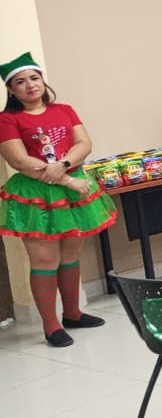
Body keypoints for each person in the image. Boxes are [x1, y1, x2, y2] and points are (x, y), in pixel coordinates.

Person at [0, 52, 117, 347]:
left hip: (71, 188)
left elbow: (84, 144)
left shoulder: (64, 110)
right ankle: (51, 325)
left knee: (70, 254)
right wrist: (66, 179)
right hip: (35, 194)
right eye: (20, 82)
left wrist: (63, 165)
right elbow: (19, 160)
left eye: (34, 78)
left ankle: (73, 313)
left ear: (43, 80)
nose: (30, 85)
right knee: (44, 259)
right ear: (11, 89)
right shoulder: (7, 119)